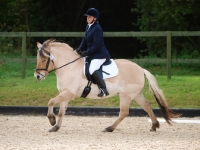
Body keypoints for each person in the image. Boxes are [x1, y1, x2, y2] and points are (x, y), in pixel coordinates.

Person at [75, 8, 111, 97]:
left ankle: (103, 89)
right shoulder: (88, 26)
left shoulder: (97, 28)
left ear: (95, 18)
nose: (88, 18)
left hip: (100, 54)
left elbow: (96, 45)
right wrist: (79, 49)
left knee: (92, 69)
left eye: (90, 17)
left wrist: (86, 53)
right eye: (87, 17)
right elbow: (85, 40)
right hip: (93, 54)